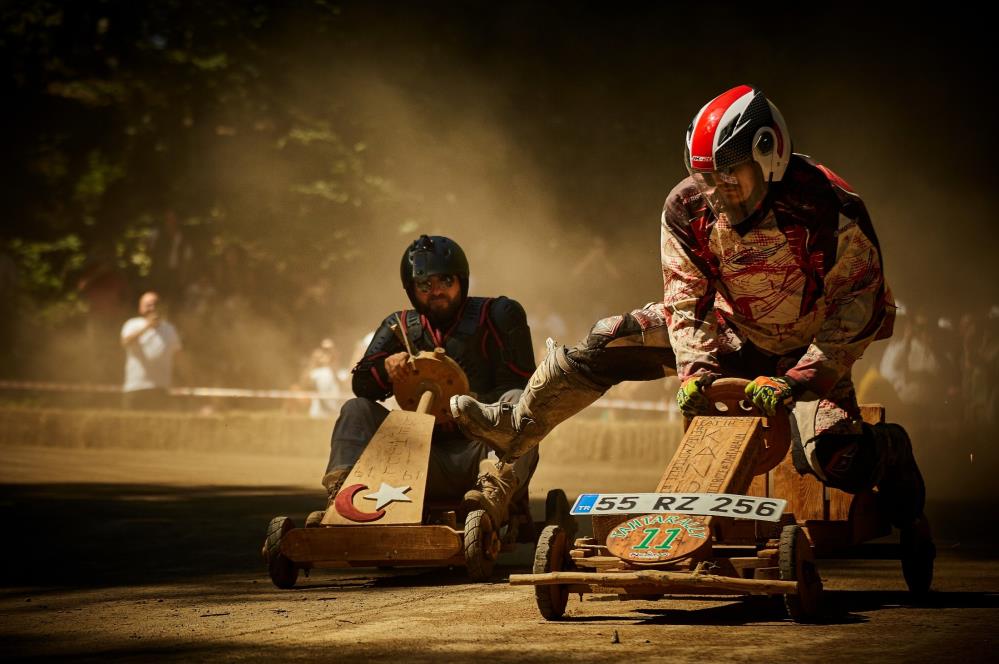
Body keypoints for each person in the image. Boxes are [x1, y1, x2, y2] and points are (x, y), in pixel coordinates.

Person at [452, 85, 932, 547]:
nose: (718, 191)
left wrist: (801, 379)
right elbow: (686, 298)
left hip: (804, 351)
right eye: (707, 177)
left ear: (769, 155)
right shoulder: (685, 208)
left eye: (731, 176)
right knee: (608, 338)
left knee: (833, 458)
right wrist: (696, 373)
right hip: (729, 334)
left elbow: (857, 306)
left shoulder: (828, 207)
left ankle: (888, 453)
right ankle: (518, 425)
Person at [311, 235, 537, 528]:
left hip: (481, 452)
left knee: (520, 400)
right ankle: (342, 498)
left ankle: (493, 492)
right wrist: (387, 367)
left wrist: (463, 399)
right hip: (415, 458)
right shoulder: (399, 325)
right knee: (356, 409)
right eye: (425, 285)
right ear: (411, 290)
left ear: (462, 281)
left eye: (445, 281)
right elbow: (362, 386)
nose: (437, 291)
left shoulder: (498, 315)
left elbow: (521, 383)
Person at [120, 291, 182, 409]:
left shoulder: (170, 329)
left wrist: (180, 381)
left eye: (155, 304)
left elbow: (178, 356)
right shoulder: (132, 324)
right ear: (140, 308)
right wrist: (148, 326)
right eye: (148, 305)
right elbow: (125, 341)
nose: (152, 308)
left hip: (161, 388)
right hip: (135, 387)